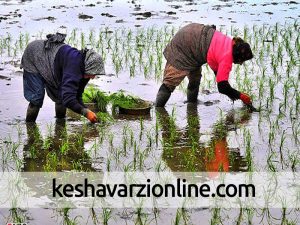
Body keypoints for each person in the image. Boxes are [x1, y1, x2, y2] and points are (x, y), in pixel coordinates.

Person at [155, 23, 254, 107]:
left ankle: (192, 105)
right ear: (238, 55)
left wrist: (232, 93)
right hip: (184, 45)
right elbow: (222, 87)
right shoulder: (227, 57)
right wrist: (241, 96)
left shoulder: (227, 42)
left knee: (195, 79)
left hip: (193, 37)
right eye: (242, 60)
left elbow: (220, 78)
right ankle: (158, 110)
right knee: (170, 82)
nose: (241, 64)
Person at [21, 33, 105, 123]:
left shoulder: (85, 70)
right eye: (92, 73)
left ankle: (60, 124)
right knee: (36, 98)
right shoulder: (74, 66)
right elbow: (68, 98)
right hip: (34, 56)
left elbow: (77, 95)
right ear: (88, 67)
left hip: (53, 62)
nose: (92, 77)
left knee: (61, 96)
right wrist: (86, 113)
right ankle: (30, 126)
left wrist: (87, 110)